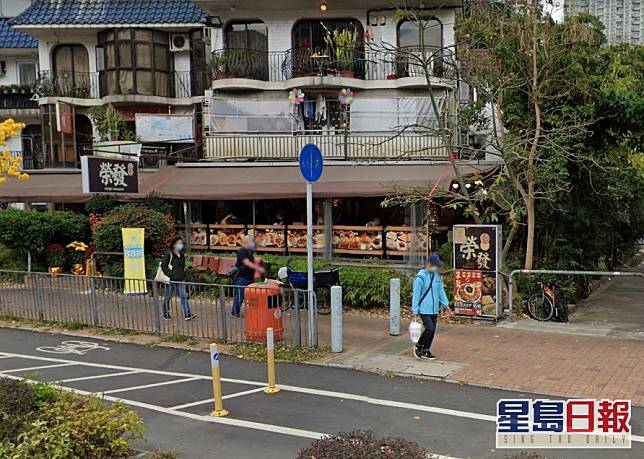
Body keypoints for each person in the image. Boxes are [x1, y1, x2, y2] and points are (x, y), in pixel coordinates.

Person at [411, 253, 450, 360]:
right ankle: (418, 346)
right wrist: (415, 311)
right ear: (429, 264)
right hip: (424, 308)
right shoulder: (420, 277)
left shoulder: (436, 276)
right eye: (435, 265)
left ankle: (426, 350)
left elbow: (440, 291)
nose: (436, 268)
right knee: (429, 328)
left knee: (432, 331)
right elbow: (416, 295)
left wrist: (446, 305)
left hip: (434, 309)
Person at [160, 237, 196, 321]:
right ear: (174, 244)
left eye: (181, 243)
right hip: (170, 280)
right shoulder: (169, 254)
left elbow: (182, 266)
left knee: (183, 296)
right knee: (168, 297)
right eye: (179, 243)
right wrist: (170, 274)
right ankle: (165, 313)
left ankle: (187, 314)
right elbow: (163, 266)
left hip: (180, 279)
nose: (181, 245)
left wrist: (183, 274)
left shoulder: (181, 254)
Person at [231, 235, 265, 317]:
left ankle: (252, 312)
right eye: (251, 241)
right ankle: (235, 313)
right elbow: (247, 263)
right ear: (247, 241)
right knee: (240, 295)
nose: (253, 243)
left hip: (249, 277)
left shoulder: (248, 251)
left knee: (251, 295)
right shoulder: (242, 251)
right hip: (242, 277)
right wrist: (258, 268)